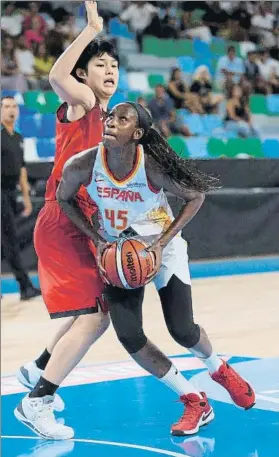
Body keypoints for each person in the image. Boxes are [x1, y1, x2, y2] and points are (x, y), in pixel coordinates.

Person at [54, 102, 255, 436]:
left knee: (182, 330)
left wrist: (161, 243)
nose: (110, 122)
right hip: (120, 255)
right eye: (109, 117)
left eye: (122, 119)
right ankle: (193, 399)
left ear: (136, 134)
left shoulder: (152, 167)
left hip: (163, 249)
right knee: (130, 336)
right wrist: (98, 239)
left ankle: (219, 369)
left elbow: (196, 196)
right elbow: (64, 199)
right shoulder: (85, 163)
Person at [15, 1, 119, 440]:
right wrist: (90, 28)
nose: (110, 68)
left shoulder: (111, 118)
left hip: (80, 222)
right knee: (96, 317)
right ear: (84, 74)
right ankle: (36, 401)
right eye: (100, 63)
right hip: (62, 220)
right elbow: (56, 76)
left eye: (114, 63)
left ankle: (37, 368)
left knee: (92, 313)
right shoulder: (83, 102)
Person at [1, 96, 41, 301]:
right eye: (6, 106)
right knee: (9, 240)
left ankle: (25, 286)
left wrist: (25, 198)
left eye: (14, 106)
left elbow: (22, 171)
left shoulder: (17, 137)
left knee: (8, 241)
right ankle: (25, 286)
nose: (11, 110)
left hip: (10, 194)